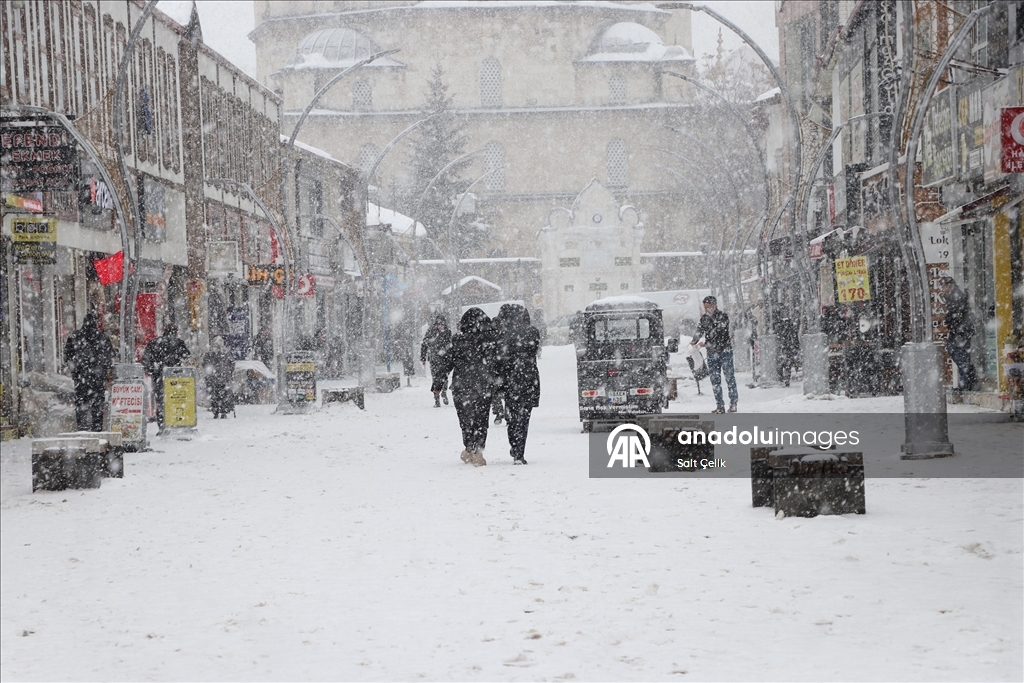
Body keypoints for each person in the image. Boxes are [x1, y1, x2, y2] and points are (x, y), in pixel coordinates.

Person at [448, 307, 497, 466]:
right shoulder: (490, 340)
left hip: (461, 386)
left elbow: (448, 362)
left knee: (465, 419)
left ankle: (469, 446)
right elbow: (498, 362)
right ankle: (478, 451)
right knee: (481, 420)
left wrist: (438, 381)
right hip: (483, 385)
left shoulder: (457, 341)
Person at [498, 304, 541, 465]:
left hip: (511, 379)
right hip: (529, 378)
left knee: (512, 416)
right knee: (524, 417)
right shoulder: (532, 332)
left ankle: (514, 444)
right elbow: (534, 350)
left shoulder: (504, 335)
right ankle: (519, 451)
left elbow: (500, 358)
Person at [64, 312, 115, 431]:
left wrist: (76, 370)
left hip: (81, 377)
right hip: (97, 378)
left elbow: (67, 356)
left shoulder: (75, 336)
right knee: (97, 404)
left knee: (81, 403)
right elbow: (110, 356)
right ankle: (97, 428)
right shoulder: (102, 337)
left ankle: (82, 428)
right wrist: (103, 369)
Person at [690, 295, 738, 413]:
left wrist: (706, 344)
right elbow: (699, 330)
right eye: (705, 307)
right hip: (712, 354)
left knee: (729, 377)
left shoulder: (723, 317)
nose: (707, 310)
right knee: (715, 380)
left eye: (709, 307)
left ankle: (733, 403)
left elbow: (722, 335)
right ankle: (720, 405)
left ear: (715, 305)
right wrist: (694, 341)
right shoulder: (704, 319)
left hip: (724, 352)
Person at [142, 323, 190, 426]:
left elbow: (146, 359)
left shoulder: (154, 342)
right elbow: (186, 355)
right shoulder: (178, 343)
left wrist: (152, 371)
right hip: (175, 377)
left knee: (160, 401)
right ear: (175, 332)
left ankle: (162, 424)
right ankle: (175, 422)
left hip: (159, 376)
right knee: (175, 400)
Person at [942, 277, 976, 391]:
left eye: (945, 285)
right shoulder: (951, 297)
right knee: (955, 352)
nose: (943, 288)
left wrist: (952, 323)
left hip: (961, 331)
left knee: (960, 354)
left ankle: (967, 380)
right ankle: (967, 379)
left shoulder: (957, 297)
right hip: (958, 331)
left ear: (950, 285)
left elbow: (958, 314)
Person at [420, 313, 453, 407]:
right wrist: (423, 357)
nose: (440, 326)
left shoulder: (447, 332)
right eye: (439, 324)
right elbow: (424, 344)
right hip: (434, 359)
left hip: (445, 359)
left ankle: (444, 392)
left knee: (445, 378)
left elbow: (450, 345)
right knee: (435, 378)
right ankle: (436, 399)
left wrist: (450, 354)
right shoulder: (430, 332)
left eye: (442, 324)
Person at [202, 336, 236, 418]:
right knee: (220, 395)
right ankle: (220, 411)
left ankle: (218, 411)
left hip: (218, 377)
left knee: (218, 395)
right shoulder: (223, 353)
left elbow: (205, 364)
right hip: (220, 377)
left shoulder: (214, 353)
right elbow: (232, 364)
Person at [774, 316, 800, 387]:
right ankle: (786, 379)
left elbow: (778, 338)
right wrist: (796, 347)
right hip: (788, 349)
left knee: (783, 364)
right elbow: (795, 339)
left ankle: (783, 379)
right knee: (787, 365)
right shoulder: (791, 329)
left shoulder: (781, 329)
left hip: (784, 349)